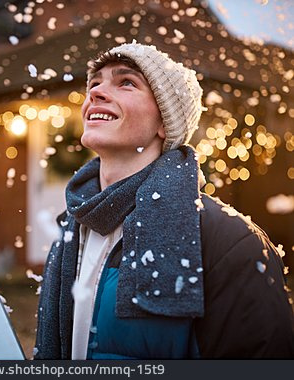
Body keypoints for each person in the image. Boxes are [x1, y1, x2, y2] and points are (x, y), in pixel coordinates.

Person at [34, 42, 294, 359]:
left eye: (126, 82)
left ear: (164, 122)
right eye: (95, 82)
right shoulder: (72, 229)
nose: (96, 93)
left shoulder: (229, 240)